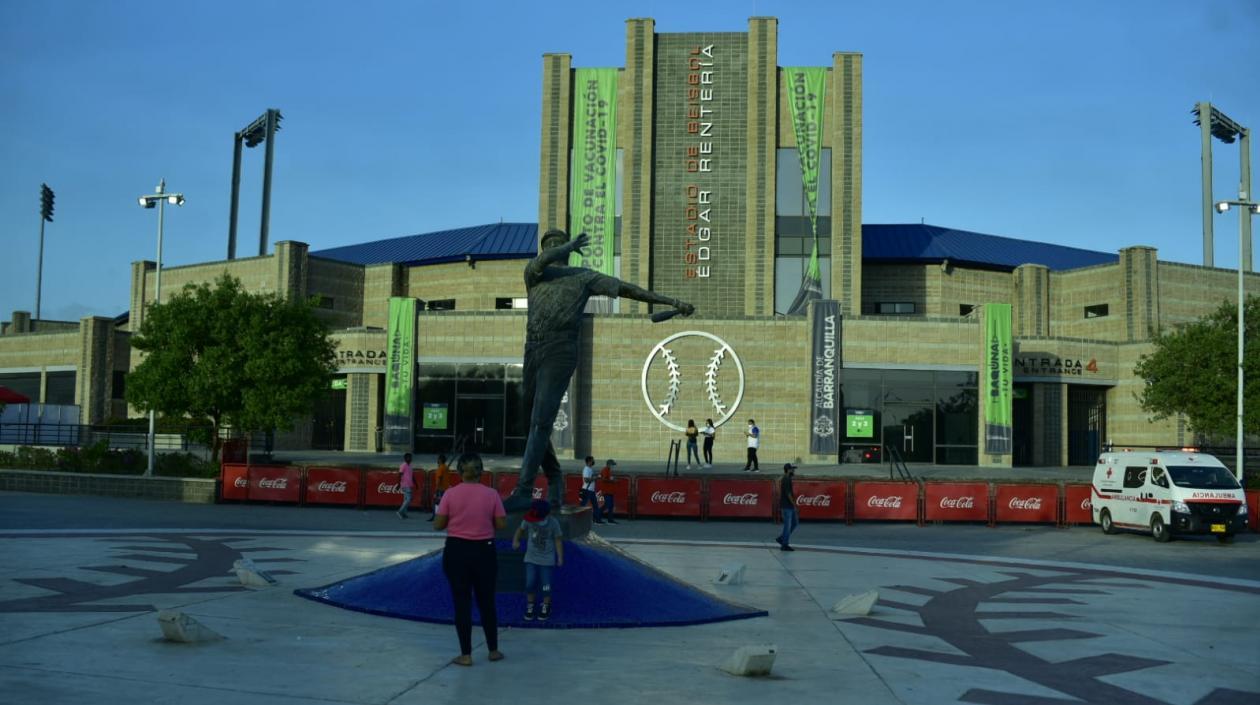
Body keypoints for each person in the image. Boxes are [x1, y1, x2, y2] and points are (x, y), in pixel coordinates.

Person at [504, 229, 694, 512]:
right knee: (528, 423)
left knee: (541, 421)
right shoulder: (535, 274)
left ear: (569, 251)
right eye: (550, 245)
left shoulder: (584, 277)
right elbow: (541, 261)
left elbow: (628, 289)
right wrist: (565, 247)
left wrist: (672, 302)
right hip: (533, 348)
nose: (554, 248)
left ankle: (523, 490)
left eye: (559, 244)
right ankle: (555, 478)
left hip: (560, 349)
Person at [433, 453, 506, 666]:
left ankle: (466, 655)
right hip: (484, 551)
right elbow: (501, 525)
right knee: (487, 602)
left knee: (461, 602)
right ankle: (493, 650)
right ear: (481, 471)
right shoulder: (492, 494)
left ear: (459, 472)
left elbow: (438, 525)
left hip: (456, 551)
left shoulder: (450, 494)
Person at [511, 499, 564, 622]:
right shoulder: (529, 518)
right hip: (531, 558)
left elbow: (558, 540)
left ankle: (546, 605)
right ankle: (530, 604)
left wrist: (560, 557)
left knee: (546, 584)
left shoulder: (553, 523)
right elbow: (520, 529)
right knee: (530, 583)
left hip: (547, 559)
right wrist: (516, 540)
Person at [776, 462, 798, 551]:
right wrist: (794, 505)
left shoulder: (787, 478)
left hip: (788, 506)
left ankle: (782, 538)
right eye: (792, 469)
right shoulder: (786, 479)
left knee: (794, 523)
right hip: (787, 506)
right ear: (788, 470)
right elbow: (788, 494)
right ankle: (784, 544)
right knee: (788, 525)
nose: (794, 471)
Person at [578, 455, 605, 524]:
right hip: (587, 490)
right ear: (589, 461)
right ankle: (579, 519)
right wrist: (595, 478)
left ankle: (596, 519)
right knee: (583, 505)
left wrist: (595, 477)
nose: (593, 461)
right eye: (592, 460)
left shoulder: (590, 469)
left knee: (595, 505)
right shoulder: (586, 469)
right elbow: (586, 480)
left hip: (591, 490)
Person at [428, 453, 451, 522]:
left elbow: (439, 479)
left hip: (441, 489)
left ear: (440, 460)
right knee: (444, 503)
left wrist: (436, 489)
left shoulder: (440, 468)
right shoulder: (446, 467)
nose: (437, 460)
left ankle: (435, 516)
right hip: (446, 488)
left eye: (438, 459)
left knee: (436, 502)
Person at [598, 459, 619, 524]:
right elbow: (604, 479)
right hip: (606, 491)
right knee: (607, 505)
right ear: (609, 464)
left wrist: (613, 480)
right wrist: (612, 481)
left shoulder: (608, 470)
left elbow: (606, 478)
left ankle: (610, 519)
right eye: (612, 465)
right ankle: (598, 518)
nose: (613, 466)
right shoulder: (605, 470)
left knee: (610, 505)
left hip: (609, 491)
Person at [397, 453, 415, 519]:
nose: (410, 459)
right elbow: (399, 474)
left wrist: (415, 483)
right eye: (408, 457)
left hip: (409, 485)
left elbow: (412, 475)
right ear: (405, 458)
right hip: (405, 484)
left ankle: (404, 513)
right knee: (409, 499)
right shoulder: (403, 465)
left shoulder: (410, 466)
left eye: (410, 457)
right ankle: (400, 511)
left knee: (405, 500)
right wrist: (398, 484)